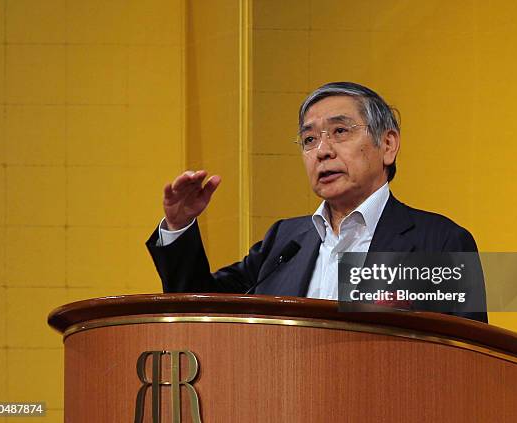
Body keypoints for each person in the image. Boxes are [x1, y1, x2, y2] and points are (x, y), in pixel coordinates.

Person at [146, 82, 488, 323]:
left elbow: (468, 360)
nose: (322, 150)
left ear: (387, 145)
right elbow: (202, 307)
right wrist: (179, 226)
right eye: (309, 140)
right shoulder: (284, 242)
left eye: (340, 132)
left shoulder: (438, 242)